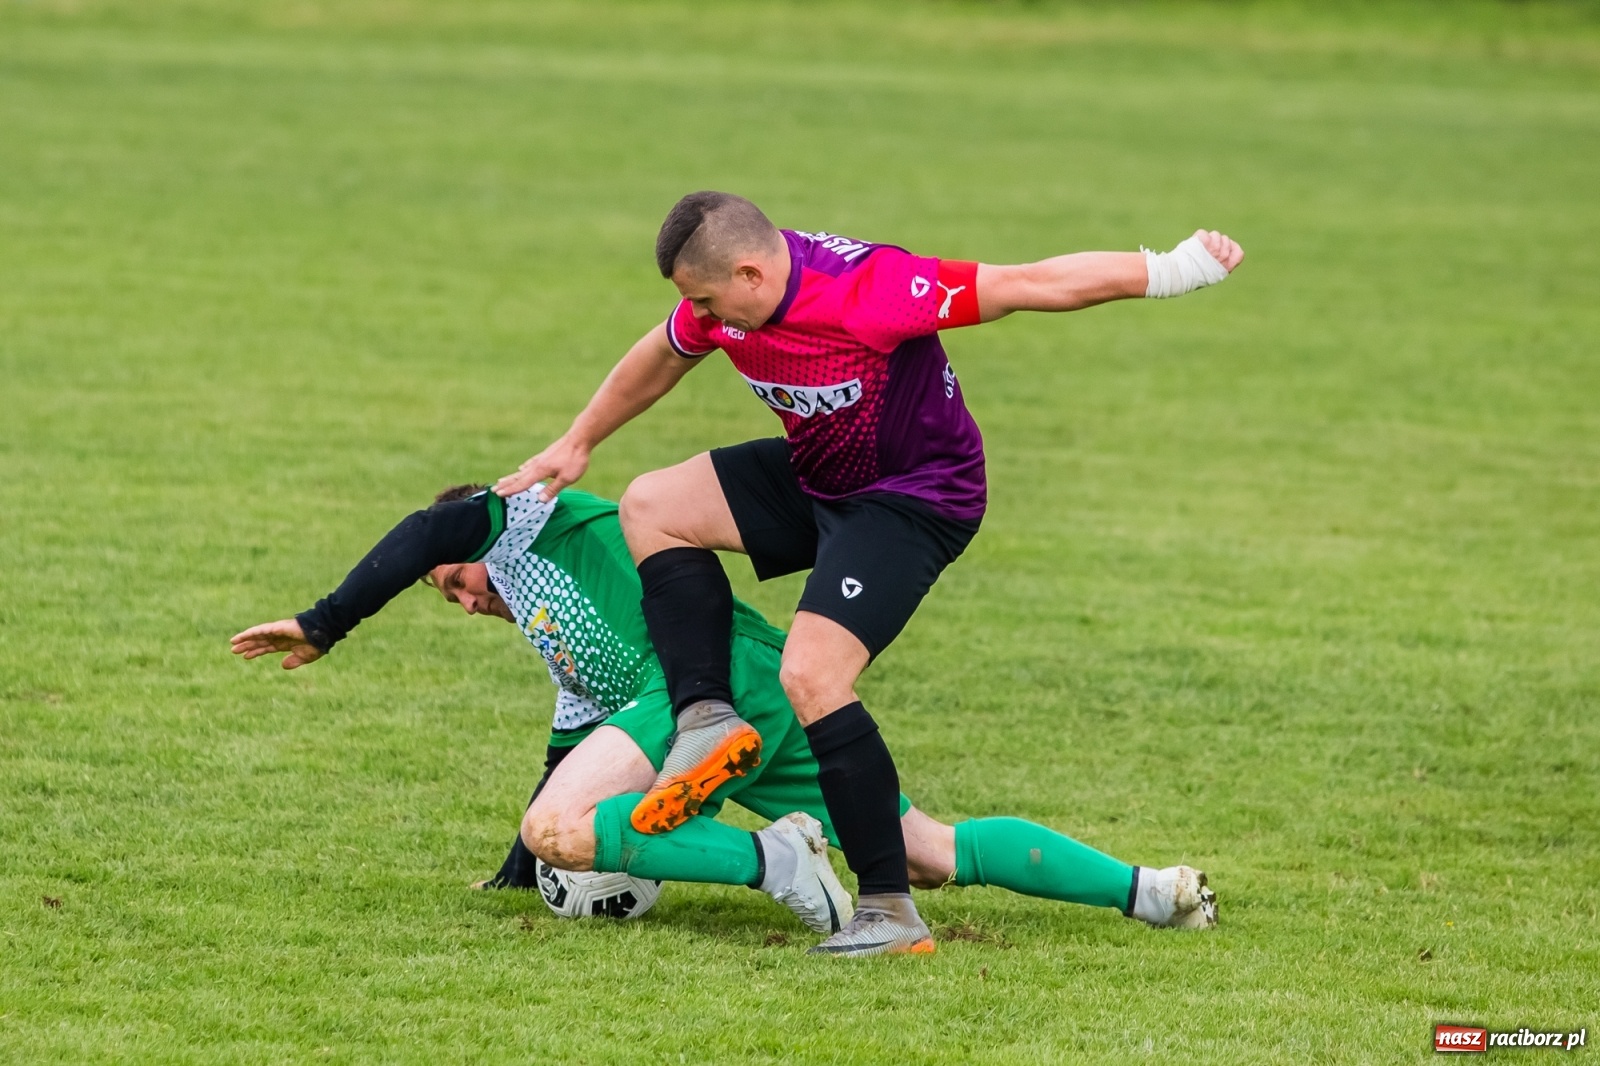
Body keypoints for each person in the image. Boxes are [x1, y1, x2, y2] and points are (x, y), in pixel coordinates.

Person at [491, 192, 1242, 955]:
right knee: (651, 504)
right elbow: (661, 351)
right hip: (823, 477)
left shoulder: (870, 290)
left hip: (915, 499)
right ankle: (707, 717)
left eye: (708, 300)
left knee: (812, 678)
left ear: (751, 272)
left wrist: (1174, 268)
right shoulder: (726, 308)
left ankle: (888, 910)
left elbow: (1028, 284)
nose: (702, 318)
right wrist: (579, 440)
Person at [231, 485, 1218, 942]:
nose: (459, 593)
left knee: (566, 828)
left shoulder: (528, 518)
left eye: (455, 580)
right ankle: (1150, 890)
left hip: (713, 688)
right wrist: (513, 874)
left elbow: (435, 525)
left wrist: (330, 618)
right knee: (922, 850)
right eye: (445, 596)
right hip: (759, 690)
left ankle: (773, 859)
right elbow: (571, 738)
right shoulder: (548, 626)